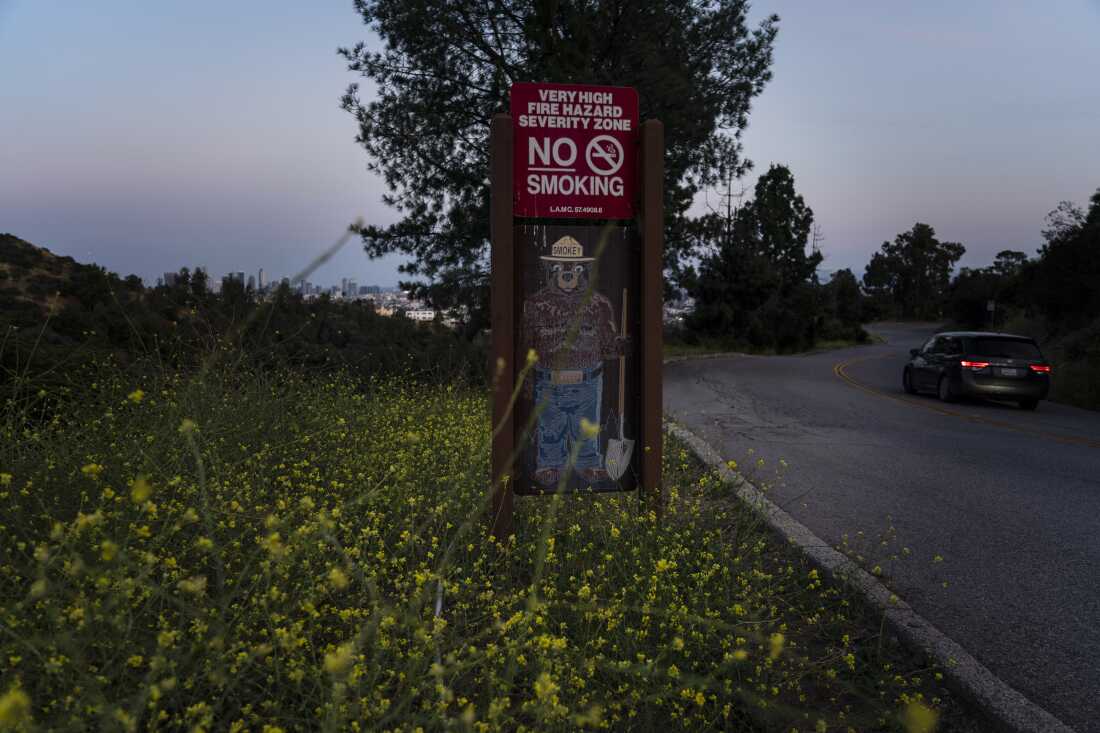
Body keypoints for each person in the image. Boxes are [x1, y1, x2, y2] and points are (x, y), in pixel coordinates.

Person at [522, 235, 624, 489]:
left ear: (583, 271)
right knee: (550, 426)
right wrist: (524, 378)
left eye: (574, 268)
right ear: (551, 270)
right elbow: (526, 344)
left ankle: (589, 462)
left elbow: (608, 346)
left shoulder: (599, 304)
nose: (567, 274)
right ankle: (549, 463)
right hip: (548, 380)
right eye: (560, 267)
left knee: (587, 427)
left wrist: (622, 344)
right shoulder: (535, 305)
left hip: (587, 382)